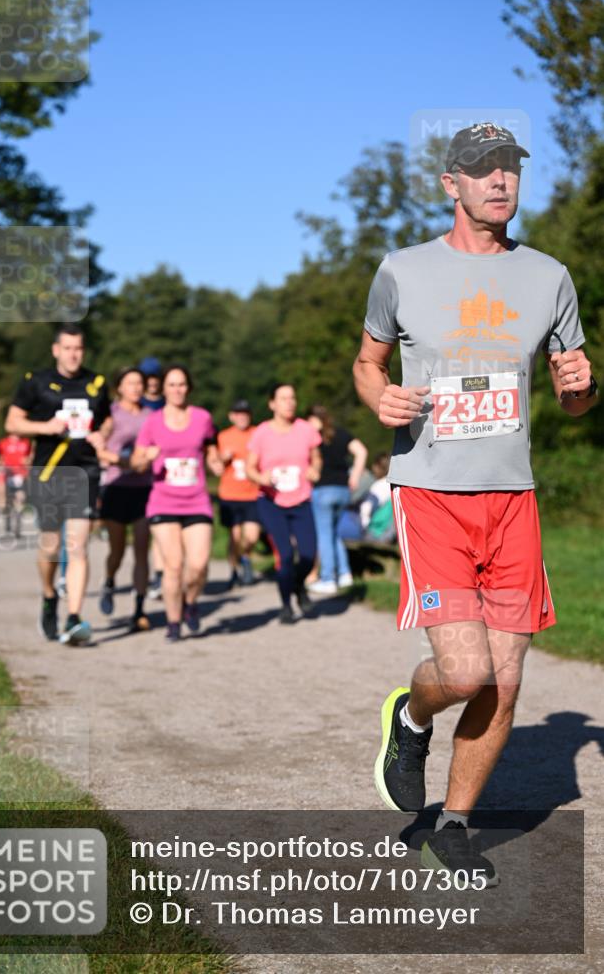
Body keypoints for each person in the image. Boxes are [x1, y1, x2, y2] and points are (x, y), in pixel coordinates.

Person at [353, 121, 598, 884]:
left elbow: (574, 397)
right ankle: (411, 715)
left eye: (509, 169)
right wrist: (380, 399)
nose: (498, 180)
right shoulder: (402, 270)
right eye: (481, 169)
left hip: (511, 498)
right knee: (463, 674)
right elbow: (367, 363)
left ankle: (452, 824)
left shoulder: (549, 276)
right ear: (448, 184)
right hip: (430, 492)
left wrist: (581, 389)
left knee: (507, 674)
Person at [5, 323, 111, 645]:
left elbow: (106, 418)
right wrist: (47, 427)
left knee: (78, 546)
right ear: (56, 350)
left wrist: (101, 434)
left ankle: (75, 616)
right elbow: (12, 422)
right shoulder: (36, 382)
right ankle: (50, 595)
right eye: (67, 348)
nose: (73, 354)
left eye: (78, 348)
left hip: (85, 472)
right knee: (50, 545)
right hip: (48, 471)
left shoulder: (96, 383)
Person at [131, 365, 223, 642]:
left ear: (189, 388)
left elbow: (211, 449)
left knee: (198, 565)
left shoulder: (202, 418)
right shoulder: (153, 422)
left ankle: (190, 602)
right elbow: (136, 462)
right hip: (163, 502)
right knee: (172, 566)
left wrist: (216, 463)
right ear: (163, 389)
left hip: (196, 501)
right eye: (171, 385)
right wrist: (145, 457)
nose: (177, 390)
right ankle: (173, 622)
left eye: (181, 384)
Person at [246, 383, 322, 624]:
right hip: (271, 502)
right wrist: (260, 477)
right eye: (283, 398)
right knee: (286, 555)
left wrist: (314, 470)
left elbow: (316, 458)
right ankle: (286, 605)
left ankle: (298, 586)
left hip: (301, 500)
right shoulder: (261, 432)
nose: (289, 403)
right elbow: (250, 467)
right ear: (272, 404)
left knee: (308, 555)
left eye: (292, 398)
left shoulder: (305, 429)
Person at [95, 367, 152, 632]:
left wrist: (150, 459)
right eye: (130, 383)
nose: (136, 388)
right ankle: (109, 581)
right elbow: (98, 449)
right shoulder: (110, 416)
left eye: (139, 383)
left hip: (144, 488)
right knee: (116, 551)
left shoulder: (152, 416)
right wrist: (124, 461)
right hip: (116, 487)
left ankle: (139, 609)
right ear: (120, 387)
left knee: (142, 549)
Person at [306, 405, 367, 594]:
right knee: (334, 533)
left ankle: (328, 578)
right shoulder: (341, 433)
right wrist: (355, 476)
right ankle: (345, 574)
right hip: (343, 490)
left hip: (322, 490)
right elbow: (361, 452)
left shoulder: (311, 437)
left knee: (324, 535)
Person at [217, 399, 261, 588]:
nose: (242, 417)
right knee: (234, 537)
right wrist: (222, 458)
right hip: (230, 494)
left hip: (253, 493)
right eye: (238, 414)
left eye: (245, 414)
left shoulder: (257, 433)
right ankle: (234, 569)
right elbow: (215, 466)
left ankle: (246, 558)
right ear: (231, 416)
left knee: (252, 536)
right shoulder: (223, 436)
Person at [138, 356, 165, 599]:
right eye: (148, 378)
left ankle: (159, 575)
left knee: (158, 527)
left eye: (156, 377)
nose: (152, 383)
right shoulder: (136, 403)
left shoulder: (168, 404)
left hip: (162, 475)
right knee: (143, 532)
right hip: (138, 475)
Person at [0, 431, 32, 538]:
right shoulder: (3, 443)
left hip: (20, 475)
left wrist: (27, 461)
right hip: (6, 475)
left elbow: (29, 457)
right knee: (4, 499)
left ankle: (17, 525)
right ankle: (6, 518)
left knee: (20, 500)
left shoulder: (26, 442)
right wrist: (0, 465)